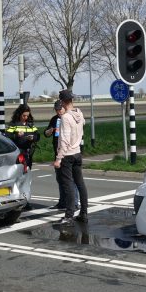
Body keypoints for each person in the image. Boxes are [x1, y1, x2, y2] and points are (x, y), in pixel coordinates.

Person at [53, 89, 89, 224]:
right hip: (77, 153)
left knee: (68, 185)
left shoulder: (65, 117)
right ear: (72, 100)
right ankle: (84, 213)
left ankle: (69, 215)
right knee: (80, 183)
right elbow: (83, 124)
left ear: (62, 102)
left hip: (67, 155)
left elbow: (64, 140)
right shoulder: (79, 113)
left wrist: (58, 158)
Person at [44, 100, 68, 210]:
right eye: (57, 110)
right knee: (59, 178)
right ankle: (62, 202)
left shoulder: (69, 117)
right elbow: (46, 133)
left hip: (68, 153)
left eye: (60, 109)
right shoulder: (54, 119)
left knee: (69, 179)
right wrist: (49, 131)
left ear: (64, 107)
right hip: (57, 152)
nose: (59, 112)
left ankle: (74, 203)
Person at [5, 104, 40, 170]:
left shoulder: (30, 124)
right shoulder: (14, 124)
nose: (26, 117)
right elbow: (7, 135)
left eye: (27, 116)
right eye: (24, 115)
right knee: (19, 169)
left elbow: (37, 136)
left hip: (28, 151)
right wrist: (16, 135)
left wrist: (33, 138)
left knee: (28, 169)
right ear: (19, 114)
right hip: (18, 151)